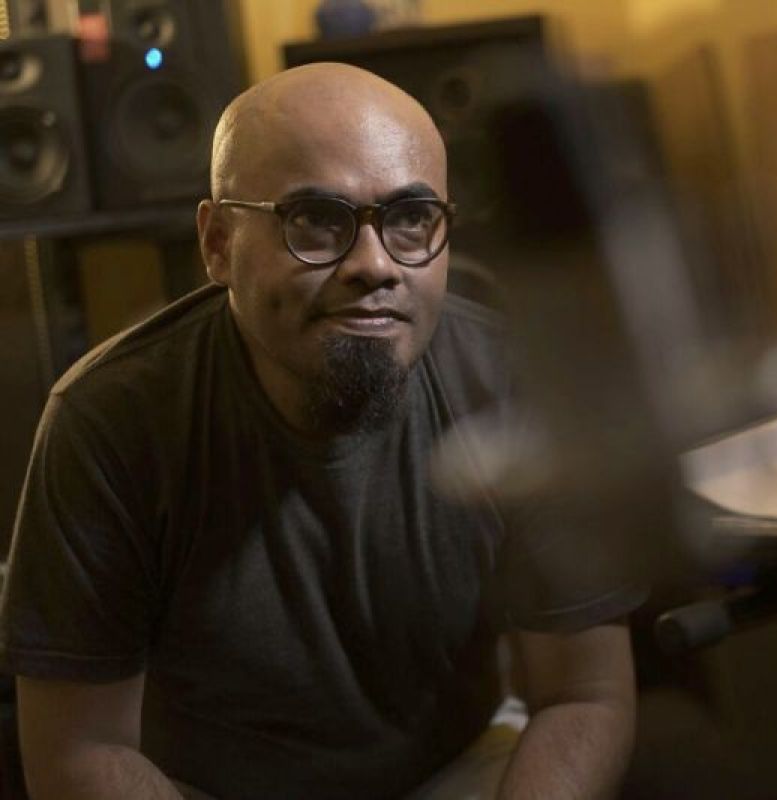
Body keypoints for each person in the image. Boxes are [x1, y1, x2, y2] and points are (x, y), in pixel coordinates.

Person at [0, 62, 644, 799]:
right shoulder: (108, 421)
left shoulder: (515, 384)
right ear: (217, 243)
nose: (374, 265)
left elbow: (583, 695)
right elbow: (79, 754)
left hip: (460, 773)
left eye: (411, 218)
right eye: (314, 218)